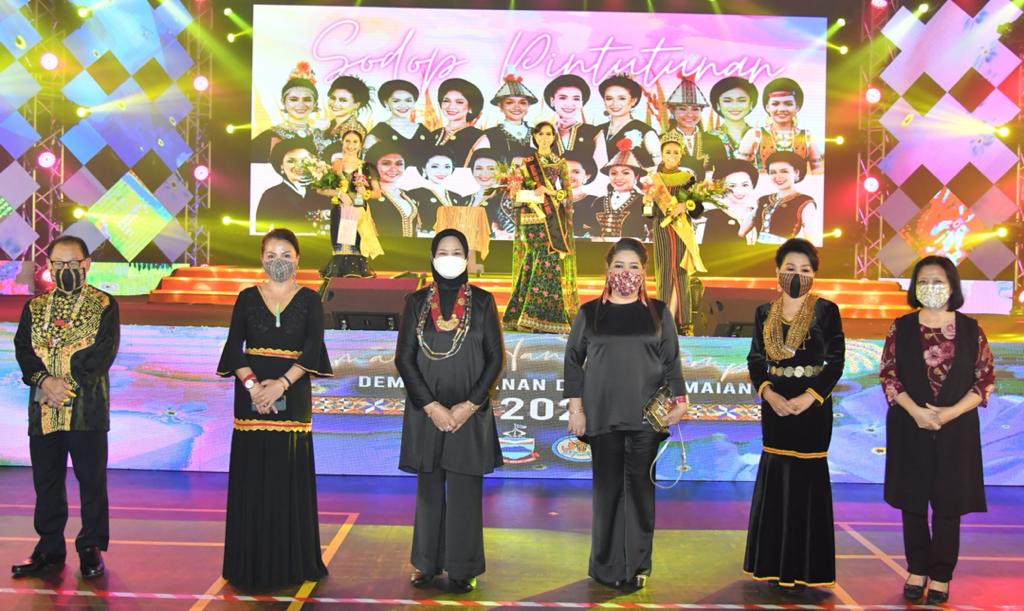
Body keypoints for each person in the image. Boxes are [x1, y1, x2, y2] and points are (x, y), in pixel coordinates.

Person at [563, 238, 688, 590]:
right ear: (607, 269)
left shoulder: (658, 312)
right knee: (607, 493)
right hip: (601, 416)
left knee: (640, 494)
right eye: (619, 265)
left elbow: (671, 361)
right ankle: (605, 567)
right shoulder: (590, 313)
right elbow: (573, 362)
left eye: (634, 266)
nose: (626, 273)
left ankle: (636, 565)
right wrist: (576, 409)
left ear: (643, 271)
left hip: (647, 417)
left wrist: (680, 400)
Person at [216, 229, 333, 589]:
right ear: (261, 259)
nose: (277, 261)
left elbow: (313, 349)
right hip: (250, 399)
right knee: (253, 477)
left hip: (293, 395)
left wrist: (281, 384)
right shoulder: (246, 297)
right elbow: (234, 348)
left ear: (298, 258)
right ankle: (247, 564)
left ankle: (291, 563)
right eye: (270, 255)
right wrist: (254, 387)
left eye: (285, 254)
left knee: (287, 475)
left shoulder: (311, 299)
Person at [879, 256, 994, 605]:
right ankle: (916, 568)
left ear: (952, 286)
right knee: (912, 500)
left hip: (956, 429)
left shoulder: (972, 329)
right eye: (924, 281)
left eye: (939, 281)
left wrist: (949, 413)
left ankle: (942, 574)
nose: (931, 287)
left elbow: (985, 379)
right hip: (909, 425)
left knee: (948, 503)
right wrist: (916, 412)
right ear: (915, 287)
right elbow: (888, 375)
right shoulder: (900, 327)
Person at [394, 229, 504, 594]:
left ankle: (463, 568)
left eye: (457, 251)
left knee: (464, 491)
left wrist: (467, 406)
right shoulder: (415, 302)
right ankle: (425, 563)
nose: (450, 257)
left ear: (468, 258)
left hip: (469, 415)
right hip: (427, 413)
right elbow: (404, 359)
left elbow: (494, 358)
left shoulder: (484, 302)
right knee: (428, 491)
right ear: (431, 255)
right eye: (443, 251)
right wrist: (432, 407)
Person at [12, 236, 120, 580]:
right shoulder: (34, 307)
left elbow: (102, 355)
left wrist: (64, 386)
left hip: (86, 408)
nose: (64, 271)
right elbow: (23, 350)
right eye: (58, 265)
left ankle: (91, 547)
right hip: (43, 407)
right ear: (50, 267)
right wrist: (44, 382)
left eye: (71, 264)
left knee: (90, 480)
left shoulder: (104, 305)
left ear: (86, 264)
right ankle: (49, 547)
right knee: (46, 480)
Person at [744, 238, 845, 592]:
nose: (797, 275)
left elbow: (836, 361)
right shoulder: (763, 313)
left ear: (814, 274)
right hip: (775, 407)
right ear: (777, 272)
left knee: (807, 479)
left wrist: (810, 397)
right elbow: (756, 360)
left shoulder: (826, 311)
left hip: (812, 409)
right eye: (790, 269)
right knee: (777, 477)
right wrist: (769, 394)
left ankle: (805, 567)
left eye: (804, 270)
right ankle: (772, 565)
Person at [502, 122, 579, 334]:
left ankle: (529, 315)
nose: (545, 138)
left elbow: (567, 195)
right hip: (532, 218)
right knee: (535, 257)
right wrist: (519, 189)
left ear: (554, 137)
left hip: (552, 218)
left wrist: (551, 193)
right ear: (534, 136)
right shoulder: (525, 163)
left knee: (546, 259)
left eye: (549, 134)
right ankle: (530, 316)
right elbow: (514, 195)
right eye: (540, 134)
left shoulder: (559, 163)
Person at [645, 131, 707, 334]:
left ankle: (685, 324)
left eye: (675, 152)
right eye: (667, 152)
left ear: (681, 155)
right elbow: (648, 214)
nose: (671, 156)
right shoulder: (654, 180)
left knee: (681, 273)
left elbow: (698, 210)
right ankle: (664, 321)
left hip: (682, 231)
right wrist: (647, 202)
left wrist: (685, 205)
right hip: (662, 229)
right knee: (663, 272)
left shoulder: (688, 178)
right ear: (661, 154)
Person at [316, 119, 384, 285]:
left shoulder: (367, 167)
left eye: (355, 142)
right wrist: (339, 193)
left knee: (356, 253)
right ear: (342, 142)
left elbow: (378, 193)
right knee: (340, 252)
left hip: (359, 213)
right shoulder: (335, 166)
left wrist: (365, 193)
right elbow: (320, 189)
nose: (351, 145)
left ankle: (357, 293)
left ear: (360, 145)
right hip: (340, 212)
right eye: (348, 141)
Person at [737, 77, 822, 173]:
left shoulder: (807, 137)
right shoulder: (754, 135)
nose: (781, 108)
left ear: (797, 107)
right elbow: (739, 169)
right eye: (775, 104)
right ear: (768, 107)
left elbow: (818, 172)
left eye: (788, 103)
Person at [256, 137, 331, 232]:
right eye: (291, 161)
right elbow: (261, 230)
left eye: (304, 161)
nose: (298, 166)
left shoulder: (323, 192)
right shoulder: (271, 195)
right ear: (281, 165)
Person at [742, 151, 818, 244]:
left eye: (784, 171)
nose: (778, 177)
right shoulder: (763, 200)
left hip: (783, 252)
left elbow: (811, 240)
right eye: (773, 172)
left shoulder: (805, 202)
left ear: (796, 173)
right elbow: (741, 232)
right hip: (756, 253)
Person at [252, 61, 320, 163]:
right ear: (283, 102)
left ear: (315, 103)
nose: (300, 104)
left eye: (307, 99)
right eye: (293, 99)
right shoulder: (268, 137)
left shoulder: (321, 136)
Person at [662, 74, 727, 172]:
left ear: (701, 111)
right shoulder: (660, 141)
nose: (689, 114)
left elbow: (723, 173)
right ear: (672, 110)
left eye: (695, 109)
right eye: (682, 109)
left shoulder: (714, 141)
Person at [470, 74, 538, 164]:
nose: (517, 107)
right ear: (500, 106)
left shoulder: (538, 134)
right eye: (510, 102)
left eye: (522, 103)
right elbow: (478, 165)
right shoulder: (489, 135)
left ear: (528, 106)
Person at [597, 74, 660, 169]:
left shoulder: (645, 132)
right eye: (609, 99)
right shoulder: (597, 130)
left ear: (633, 101)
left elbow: (660, 167)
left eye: (622, 98)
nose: (615, 104)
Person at [406, 147, 470, 232]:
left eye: (447, 167)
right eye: (435, 166)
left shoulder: (457, 197)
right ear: (424, 169)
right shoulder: (413, 195)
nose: (441, 171)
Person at [594, 139, 648, 240]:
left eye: (625, 173)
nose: (618, 178)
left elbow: (651, 230)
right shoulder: (598, 202)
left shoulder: (645, 201)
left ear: (636, 177)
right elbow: (590, 232)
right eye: (614, 173)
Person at [365, 141, 420, 237]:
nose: (393, 168)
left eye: (399, 164)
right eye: (386, 163)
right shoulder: (367, 196)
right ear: (374, 167)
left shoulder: (410, 196)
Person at [701, 159, 758, 245]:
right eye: (732, 186)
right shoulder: (713, 216)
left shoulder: (759, 213)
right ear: (722, 188)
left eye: (745, 185)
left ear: (752, 185)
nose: (739, 191)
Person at [364, 79, 432, 150]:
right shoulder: (378, 133)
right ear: (386, 103)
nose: (403, 105)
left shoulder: (422, 130)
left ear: (414, 103)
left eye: (408, 100)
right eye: (396, 101)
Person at [543, 74, 600, 159]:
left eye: (576, 99)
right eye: (563, 98)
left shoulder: (594, 133)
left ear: (581, 102)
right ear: (552, 101)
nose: (569, 104)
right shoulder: (539, 132)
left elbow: (601, 169)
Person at [431, 78, 484, 167]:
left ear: (470, 108)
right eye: (446, 101)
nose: (451, 106)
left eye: (459, 102)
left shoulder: (479, 138)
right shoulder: (433, 135)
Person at [706, 77, 758, 159]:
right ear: (718, 105)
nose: (735, 106)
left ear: (751, 104)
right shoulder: (705, 138)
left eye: (741, 100)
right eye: (727, 101)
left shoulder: (760, 136)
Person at [321, 75, 372, 146]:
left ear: (356, 105)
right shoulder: (329, 125)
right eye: (333, 98)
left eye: (343, 100)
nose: (335, 103)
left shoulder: (355, 130)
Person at [563, 149, 602, 238]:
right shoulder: (551, 201)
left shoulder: (596, 202)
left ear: (587, 176)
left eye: (576, 172)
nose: (569, 176)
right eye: (564, 171)